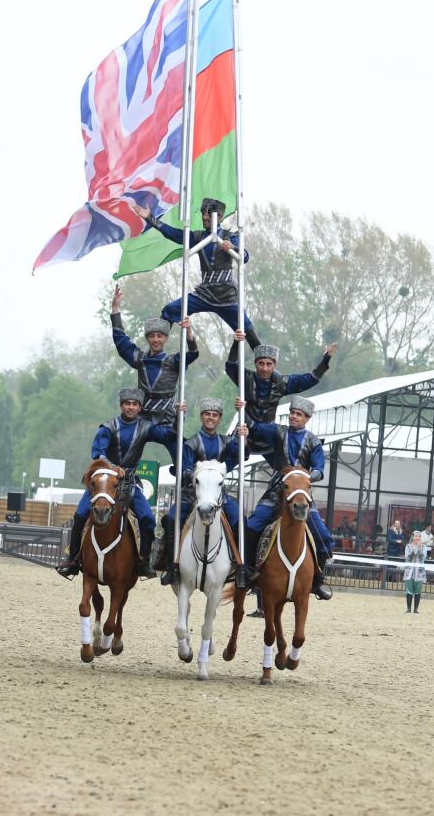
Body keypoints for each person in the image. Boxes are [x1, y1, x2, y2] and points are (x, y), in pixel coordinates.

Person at [56, 388, 168, 580]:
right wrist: (113, 467)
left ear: (139, 407)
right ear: (121, 405)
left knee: (148, 519)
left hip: (129, 483)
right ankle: (73, 559)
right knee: (80, 514)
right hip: (103, 483)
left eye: (134, 404)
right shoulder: (108, 427)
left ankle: (144, 560)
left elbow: (167, 436)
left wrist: (178, 415)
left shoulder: (145, 427)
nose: (131, 407)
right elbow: (98, 453)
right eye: (127, 403)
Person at [130, 197, 264, 348]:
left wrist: (233, 248)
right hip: (204, 293)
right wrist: (149, 218)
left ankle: (267, 365)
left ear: (219, 217)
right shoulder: (199, 237)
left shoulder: (230, 236)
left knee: (247, 329)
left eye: (209, 213)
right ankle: (156, 352)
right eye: (203, 213)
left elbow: (245, 257)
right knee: (170, 310)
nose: (205, 217)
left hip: (227, 297)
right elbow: (174, 234)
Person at [238, 396, 334, 600]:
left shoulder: (314, 442)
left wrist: (307, 477)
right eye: (292, 413)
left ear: (307, 418)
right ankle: (247, 572)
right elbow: (255, 426)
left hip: (300, 493)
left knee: (324, 537)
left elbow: (319, 470)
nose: (294, 417)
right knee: (251, 527)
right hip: (276, 491)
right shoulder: (278, 431)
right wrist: (243, 408)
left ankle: (318, 580)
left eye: (298, 414)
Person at [152, 397, 244, 588]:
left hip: (219, 497)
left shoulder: (226, 442)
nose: (211, 418)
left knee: (240, 519)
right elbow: (185, 468)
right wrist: (196, 475)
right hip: (192, 495)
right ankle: (172, 566)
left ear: (219, 419)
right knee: (170, 519)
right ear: (202, 417)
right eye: (208, 414)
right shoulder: (192, 443)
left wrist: (242, 435)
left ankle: (241, 566)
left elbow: (237, 456)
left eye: (215, 415)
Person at [226, 333, 336, 456]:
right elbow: (231, 365)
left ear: (274, 365)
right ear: (255, 363)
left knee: (290, 459)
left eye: (269, 364)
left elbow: (310, 379)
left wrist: (326, 359)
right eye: (261, 363)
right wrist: (236, 343)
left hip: (268, 436)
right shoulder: (245, 378)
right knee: (228, 456)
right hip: (244, 431)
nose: (265, 368)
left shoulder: (281, 383)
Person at [109, 284, 198, 425]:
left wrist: (189, 334)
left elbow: (193, 354)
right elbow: (121, 341)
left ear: (166, 338)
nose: (156, 340)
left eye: (159, 336)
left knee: (180, 445)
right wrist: (115, 309)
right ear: (147, 338)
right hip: (142, 417)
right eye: (152, 336)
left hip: (166, 417)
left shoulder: (173, 361)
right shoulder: (140, 359)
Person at [403, 531, 428, 613]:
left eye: (419, 536)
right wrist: (413, 549)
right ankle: (408, 608)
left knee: (418, 590)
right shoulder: (408, 546)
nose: (417, 538)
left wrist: (420, 548)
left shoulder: (424, 547)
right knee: (409, 590)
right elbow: (407, 557)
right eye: (416, 536)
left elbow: (423, 557)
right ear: (412, 537)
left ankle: (416, 608)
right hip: (409, 571)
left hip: (419, 571)